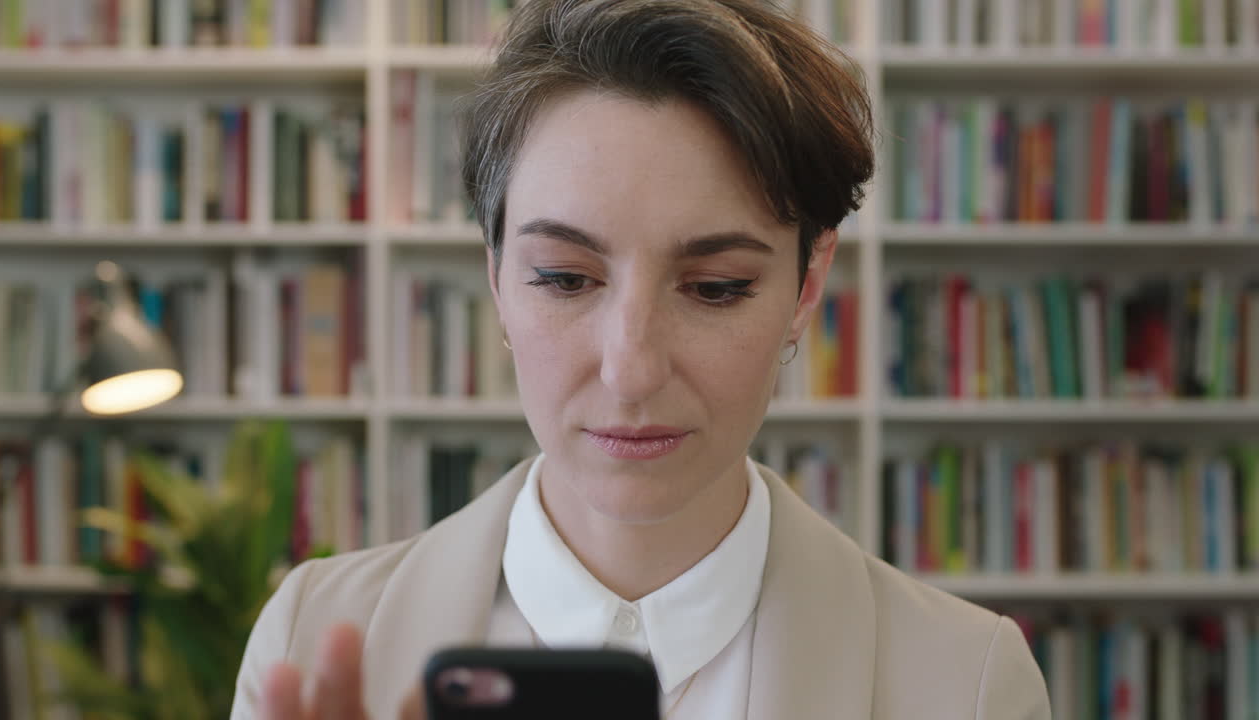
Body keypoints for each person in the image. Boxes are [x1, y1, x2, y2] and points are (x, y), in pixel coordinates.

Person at [231, 1, 1051, 718]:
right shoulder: (309, 637)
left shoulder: (965, 682)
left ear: (807, 286)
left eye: (717, 287)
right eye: (564, 278)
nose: (631, 370)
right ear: (496, 276)